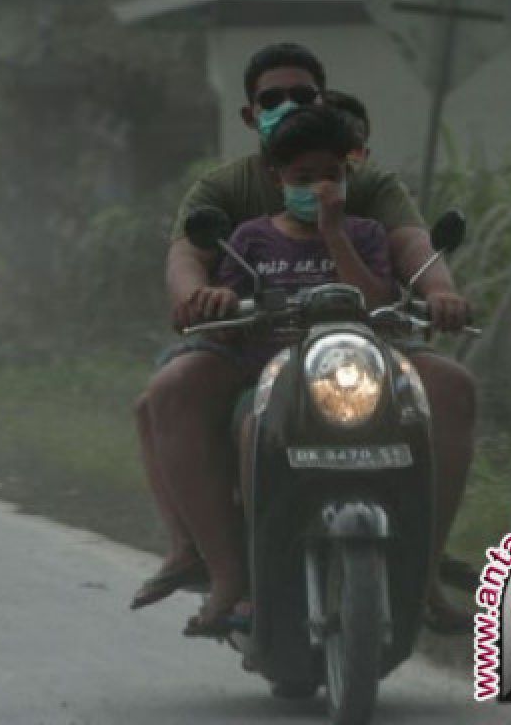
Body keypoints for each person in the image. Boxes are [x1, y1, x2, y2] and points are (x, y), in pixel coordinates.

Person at [131, 44, 476, 635]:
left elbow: (414, 248)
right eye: (271, 98)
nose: (287, 104)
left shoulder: (366, 196)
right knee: (172, 390)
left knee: (452, 387)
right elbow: (188, 254)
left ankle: (422, 572)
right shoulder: (227, 193)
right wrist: (196, 295)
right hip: (257, 349)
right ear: (250, 117)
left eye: (302, 95)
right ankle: (230, 577)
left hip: (364, 346)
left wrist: (441, 292)